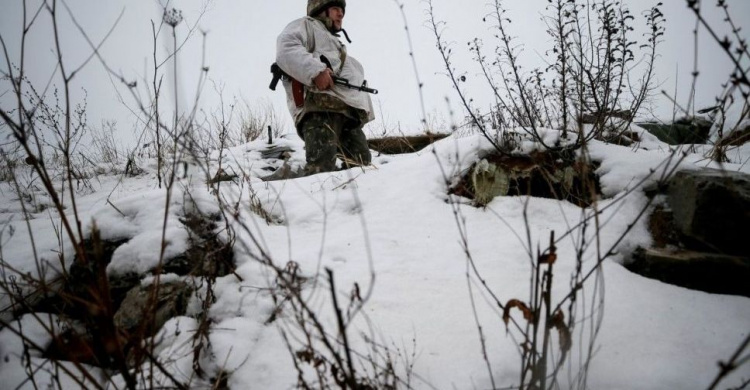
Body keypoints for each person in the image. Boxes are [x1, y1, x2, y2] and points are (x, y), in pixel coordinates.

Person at [275, 0, 374, 176]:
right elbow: (286, 48)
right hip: (320, 109)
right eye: (335, 8)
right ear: (320, 10)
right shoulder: (306, 25)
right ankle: (283, 191)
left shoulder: (336, 45)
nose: (341, 14)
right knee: (321, 171)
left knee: (362, 168)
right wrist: (316, 71)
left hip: (347, 115)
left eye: (342, 10)